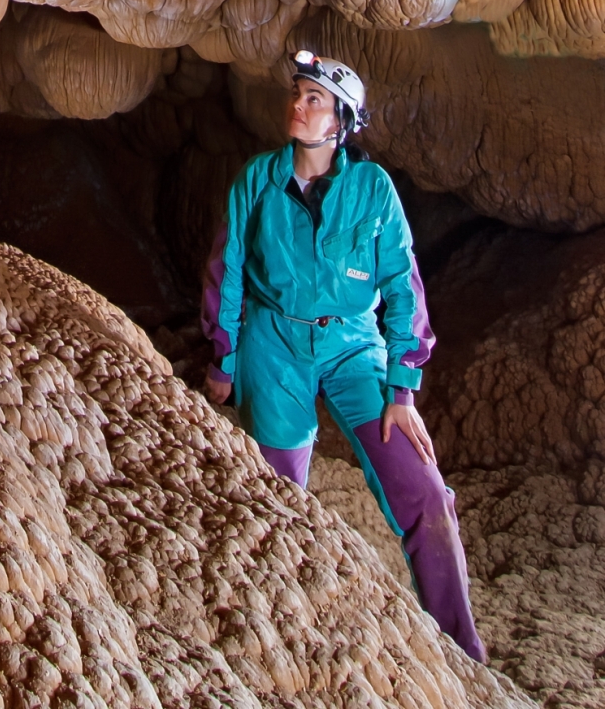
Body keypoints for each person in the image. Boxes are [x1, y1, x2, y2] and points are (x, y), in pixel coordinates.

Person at [201, 50, 486, 661]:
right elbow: (226, 275)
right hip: (274, 343)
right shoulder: (258, 179)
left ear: (341, 122)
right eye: (297, 93)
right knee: (281, 498)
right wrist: (224, 361)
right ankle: (280, 637)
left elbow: (402, 290)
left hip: (354, 344)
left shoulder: (373, 190)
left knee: (427, 496)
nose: (298, 105)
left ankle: (465, 655)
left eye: (314, 99)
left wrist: (401, 391)